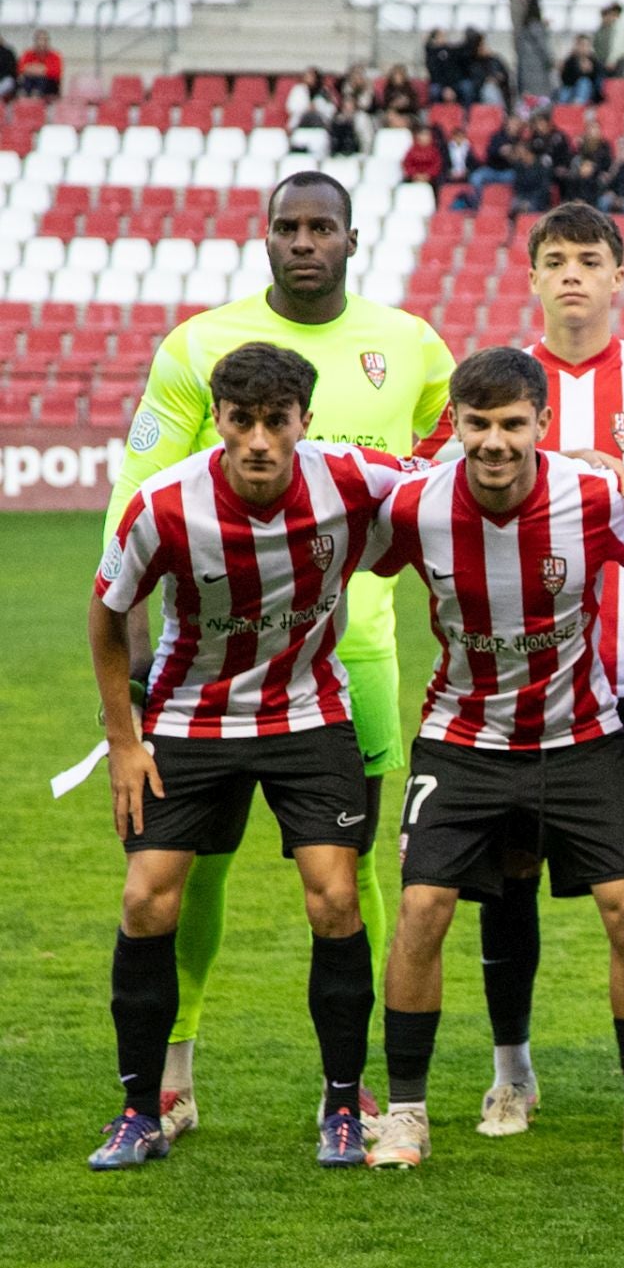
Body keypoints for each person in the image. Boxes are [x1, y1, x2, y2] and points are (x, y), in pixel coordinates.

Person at [101, 173, 456, 1144]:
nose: (305, 243)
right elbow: (135, 500)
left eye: (321, 228)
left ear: (350, 238)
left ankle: (359, 1087)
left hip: (352, 657)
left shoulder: (412, 341)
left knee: (348, 878)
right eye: (288, 228)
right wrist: (130, 690)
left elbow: (446, 464)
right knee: (182, 876)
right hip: (206, 677)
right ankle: (170, 1077)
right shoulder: (196, 346)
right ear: (265, 238)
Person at [410, 201, 624, 1137]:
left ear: (622, 276)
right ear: (534, 276)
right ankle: (512, 1072)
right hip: (511, 693)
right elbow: (433, 486)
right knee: (505, 886)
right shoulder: (499, 386)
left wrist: (620, 483)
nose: (575, 275)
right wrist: (553, 457)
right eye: (557, 260)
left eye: (592, 259)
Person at [86, 343, 414, 1169]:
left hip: (308, 711)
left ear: (305, 421)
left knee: (336, 898)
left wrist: (579, 461)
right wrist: (124, 742)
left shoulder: (355, 478)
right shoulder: (164, 505)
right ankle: (137, 1110)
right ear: (219, 422)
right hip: (189, 719)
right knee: (145, 901)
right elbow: (106, 612)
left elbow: (460, 475)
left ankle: (343, 1105)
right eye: (242, 421)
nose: (260, 439)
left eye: (277, 421)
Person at [361, 348, 624, 1170]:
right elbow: (340, 539)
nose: (494, 441)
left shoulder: (596, 495)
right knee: (423, 910)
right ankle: (405, 1112)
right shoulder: (417, 503)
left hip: (582, 734)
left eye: (511, 423)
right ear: (454, 424)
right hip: (462, 739)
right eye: (477, 423)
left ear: (542, 423)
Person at [509, 0, 562, 101]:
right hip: (539, 75)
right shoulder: (536, 28)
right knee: (541, 103)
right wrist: (553, 61)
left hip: (525, 74)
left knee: (527, 101)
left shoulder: (523, 32)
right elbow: (545, 49)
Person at [558, 34, 605, 104]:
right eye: (581, 45)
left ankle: (578, 104)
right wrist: (578, 69)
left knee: (584, 82)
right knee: (565, 91)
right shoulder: (570, 60)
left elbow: (599, 81)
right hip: (571, 90)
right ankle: (562, 107)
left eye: (586, 45)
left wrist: (590, 71)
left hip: (589, 93)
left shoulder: (594, 61)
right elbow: (566, 81)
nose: (583, 48)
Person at [18, 28, 60, 98]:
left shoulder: (55, 56)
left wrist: (40, 70)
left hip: (49, 85)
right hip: (30, 82)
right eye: (39, 40)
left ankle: (36, 95)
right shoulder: (28, 54)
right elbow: (21, 68)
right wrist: (40, 69)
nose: (41, 43)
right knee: (27, 80)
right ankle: (27, 97)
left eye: (44, 40)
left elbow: (56, 72)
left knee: (41, 79)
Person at [594, 3, 624, 78]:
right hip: (609, 59)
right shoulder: (604, 28)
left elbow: (617, 45)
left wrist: (611, 60)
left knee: (617, 82)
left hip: (618, 59)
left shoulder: (619, 26)